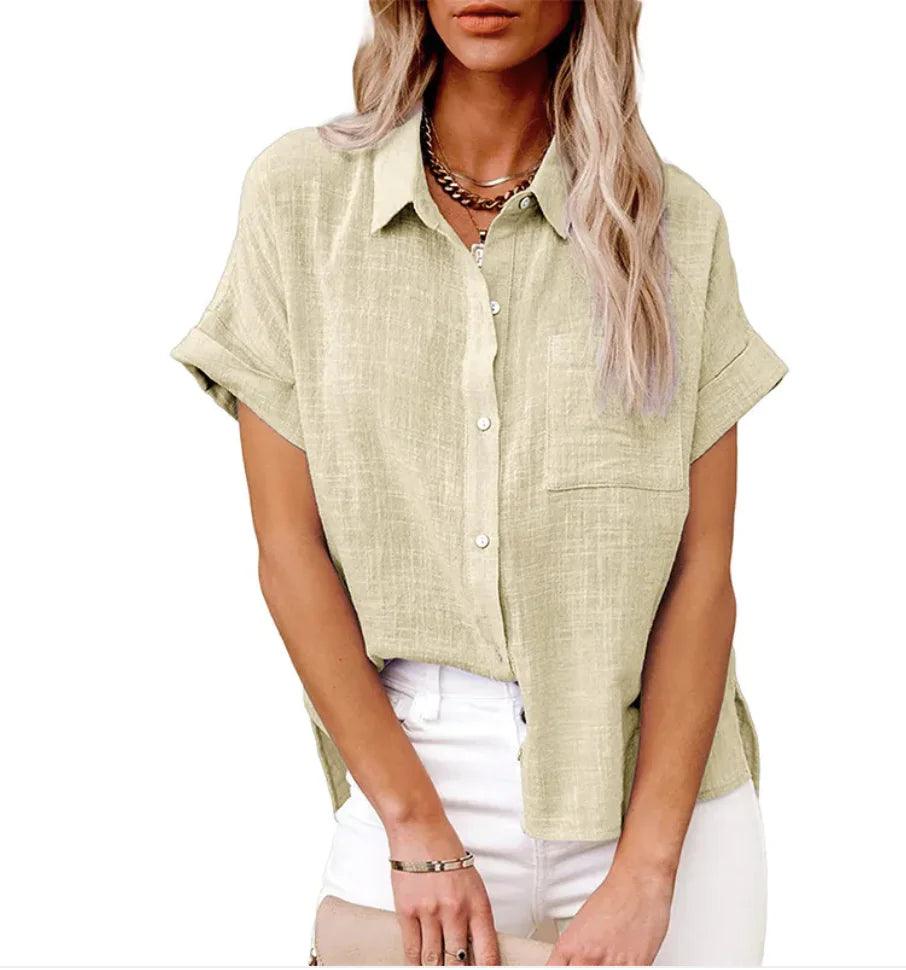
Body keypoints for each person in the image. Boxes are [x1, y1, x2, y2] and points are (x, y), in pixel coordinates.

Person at [169, 0, 788, 965]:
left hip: (660, 797)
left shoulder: (679, 227)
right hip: (417, 770)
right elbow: (289, 549)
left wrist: (648, 870)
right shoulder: (299, 199)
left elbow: (702, 573)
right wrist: (414, 827)